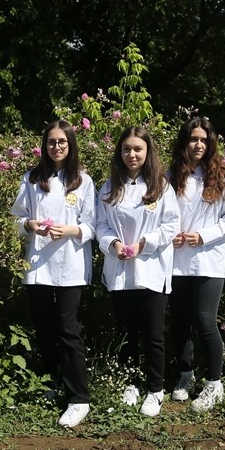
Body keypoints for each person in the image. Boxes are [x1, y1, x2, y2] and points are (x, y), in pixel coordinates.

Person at [10, 121, 96, 429]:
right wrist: (31, 225)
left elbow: (92, 225)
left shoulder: (83, 181)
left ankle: (79, 398)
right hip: (38, 265)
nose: (56, 147)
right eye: (51, 142)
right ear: (44, 146)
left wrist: (71, 230)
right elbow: (17, 220)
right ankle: (52, 381)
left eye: (62, 142)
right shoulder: (32, 179)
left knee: (68, 329)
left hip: (70, 264)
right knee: (44, 328)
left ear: (71, 145)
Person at [95, 126, 181, 417]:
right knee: (126, 330)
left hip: (152, 268)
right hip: (121, 268)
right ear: (119, 153)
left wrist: (146, 243)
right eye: (126, 149)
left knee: (153, 332)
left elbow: (171, 225)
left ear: (148, 152)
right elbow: (100, 225)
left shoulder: (161, 186)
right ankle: (130, 383)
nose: (132, 154)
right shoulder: (109, 187)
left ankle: (156, 389)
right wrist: (114, 243)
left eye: (138, 149)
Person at [167, 117, 225, 412]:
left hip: (209, 260)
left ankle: (214, 383)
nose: (198, 145)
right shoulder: (170, 176)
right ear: (184, 143)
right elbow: (159, 213)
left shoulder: (221, 178)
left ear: (210, 144)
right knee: (180, 321)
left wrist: (203, 235)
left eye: (203, 140)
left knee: (205, 320)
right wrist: (168, 236)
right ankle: (185, 376)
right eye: (193, 139)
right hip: (176, 261)